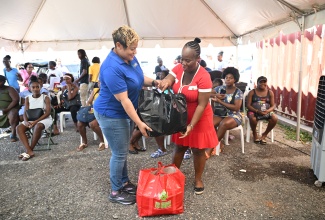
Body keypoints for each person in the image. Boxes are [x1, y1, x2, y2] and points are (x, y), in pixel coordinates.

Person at [94, 25, 155, 205]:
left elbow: (140, 78)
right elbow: (125, 101)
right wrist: (140, 122)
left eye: (136, 48)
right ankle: (115, 191)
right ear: (119, 46)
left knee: (122, 150)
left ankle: (124, 182)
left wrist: (156, 82)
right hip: (111, 114)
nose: (134, 52)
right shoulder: (111, 67)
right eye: (132, 48)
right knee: (119, 153)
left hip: (123, 113)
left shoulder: (129, 59)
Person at [158, 37, 218, 195]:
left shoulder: (204, 76)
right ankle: (172, 176)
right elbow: (170, 78)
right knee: (179, 147)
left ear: (198, 59)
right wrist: (165, 82)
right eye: (182, 59)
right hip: (182, 117)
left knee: (198, 150)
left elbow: (202, 105)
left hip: (199, 118)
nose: (183, 63)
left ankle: (198, 178)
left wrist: (192, 126)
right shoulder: (179, 68)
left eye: (188, 60)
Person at [207, 67, 243, 157]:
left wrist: (220, 102)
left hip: (234, 115)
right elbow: (207, 93)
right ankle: (220, 143)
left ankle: (211, 148)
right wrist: (216, 95)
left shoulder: (238, 92)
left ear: (235, 79)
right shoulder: (219, 88)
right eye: (226, 77)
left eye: (230, 78)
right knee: (209, 123)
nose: (228, 79)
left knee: (223, 124)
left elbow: (236, 107)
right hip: (220, 114)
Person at [16, 75, 52, 161]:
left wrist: (35, 122)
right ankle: (29, 150)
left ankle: (29, 150)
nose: (35, 89)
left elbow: (47, 113)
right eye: (33, 87)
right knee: (19, 128)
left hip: (44, 119)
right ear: (29, 88)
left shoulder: (45, 97)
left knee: (38, 126)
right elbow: (25, 112)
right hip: (31, 119)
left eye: (37, 87)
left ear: (40, 87)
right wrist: (25, 121)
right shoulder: (27, 98)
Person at [246, 76, 278, 144]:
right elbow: (248, 105)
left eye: (264, 82)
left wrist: (267, 111)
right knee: (253, 119)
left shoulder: (270, 92)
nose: (263, 83)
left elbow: (273, 106)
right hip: (254, 111)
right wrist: (257, 111)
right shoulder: (252, 92)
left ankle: (264, 135)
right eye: (261, 82)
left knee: (274, 118)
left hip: (266, 112)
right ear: (257, 83)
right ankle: (255, 133)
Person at [77, 82, 105, 152]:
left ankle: (102, 141)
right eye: (99, 82)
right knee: (80, 123)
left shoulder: (110, 91)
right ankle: (84, 142)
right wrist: (86, 111)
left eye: (101, 82)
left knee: (93, 124)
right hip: (93, 111)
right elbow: (89, 102)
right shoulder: (95, 90)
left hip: (103, 112)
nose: (99, 83)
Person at [0, 75, 19, 141]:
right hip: (0, 111)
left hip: (9, 109)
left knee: (13, 113)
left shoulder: (10, 89)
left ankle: (13, 134)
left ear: (3, 82)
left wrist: (7, 109)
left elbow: (15, 100)